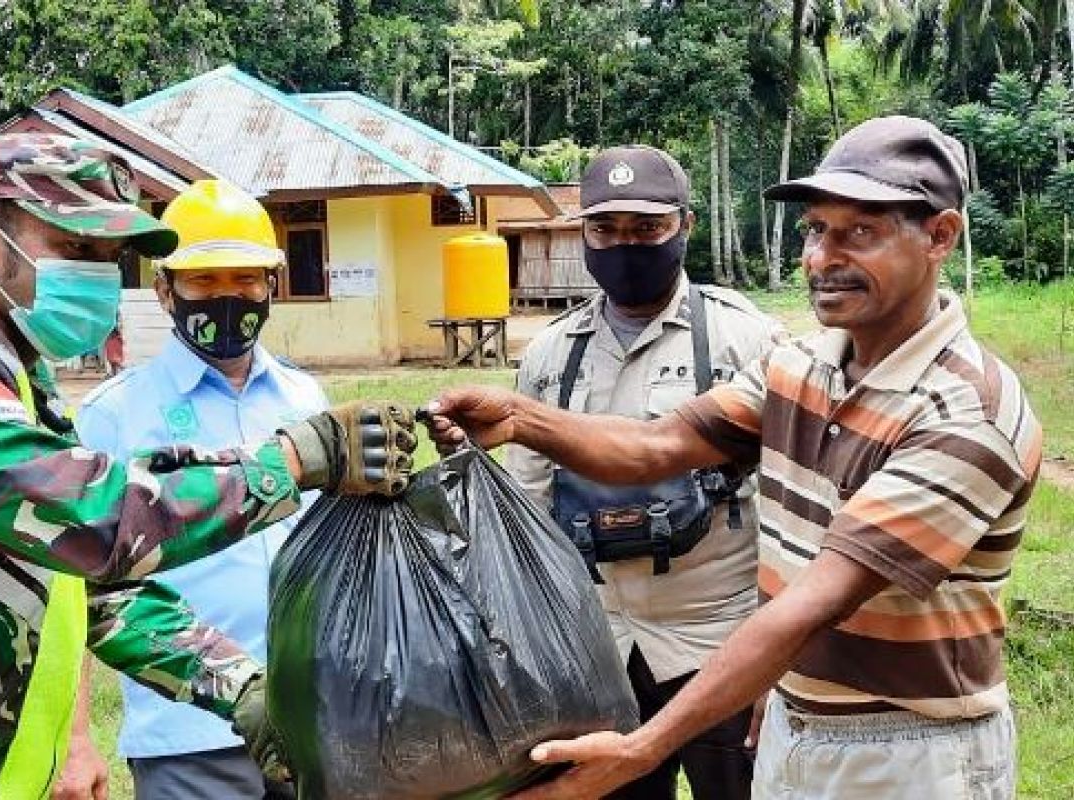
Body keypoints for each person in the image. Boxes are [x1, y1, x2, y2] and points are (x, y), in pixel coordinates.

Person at [430, 116, 1041, 800]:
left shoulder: (965, 413)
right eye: (816, 230)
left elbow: (812, 606)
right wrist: (519, 417)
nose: (822, 257)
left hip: (910, 749)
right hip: (796, 721)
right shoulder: (800, 366)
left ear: (940, 236)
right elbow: (657, 446)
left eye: (859, 233)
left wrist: (641, 749)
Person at [0, 133, 416, 799]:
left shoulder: (18, 384)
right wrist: (295, 461)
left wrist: (240, 690)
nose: (100, 276)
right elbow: (95, 517)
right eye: (75, 250)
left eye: (109, 257)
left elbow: (89, 588)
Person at [506, 145, 781, 798]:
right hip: (600, 654)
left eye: (646, 229)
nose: (625, 245)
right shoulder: (549, 355)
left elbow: (796, 509)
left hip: (724, 645)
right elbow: (526, 511)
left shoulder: (746, 340)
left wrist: (783, 663)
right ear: (584, 235)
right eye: (606, 230)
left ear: (685, 225)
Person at [65, 179, 328, 799]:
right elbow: (72, 583)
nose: (228, 297)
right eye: (205, 281)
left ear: (271, 286)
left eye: (245, 280)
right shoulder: (116, 414)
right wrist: (76, 739)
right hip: (188, 730)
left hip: (316, 713)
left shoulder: (305, 400)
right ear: (165, 290)